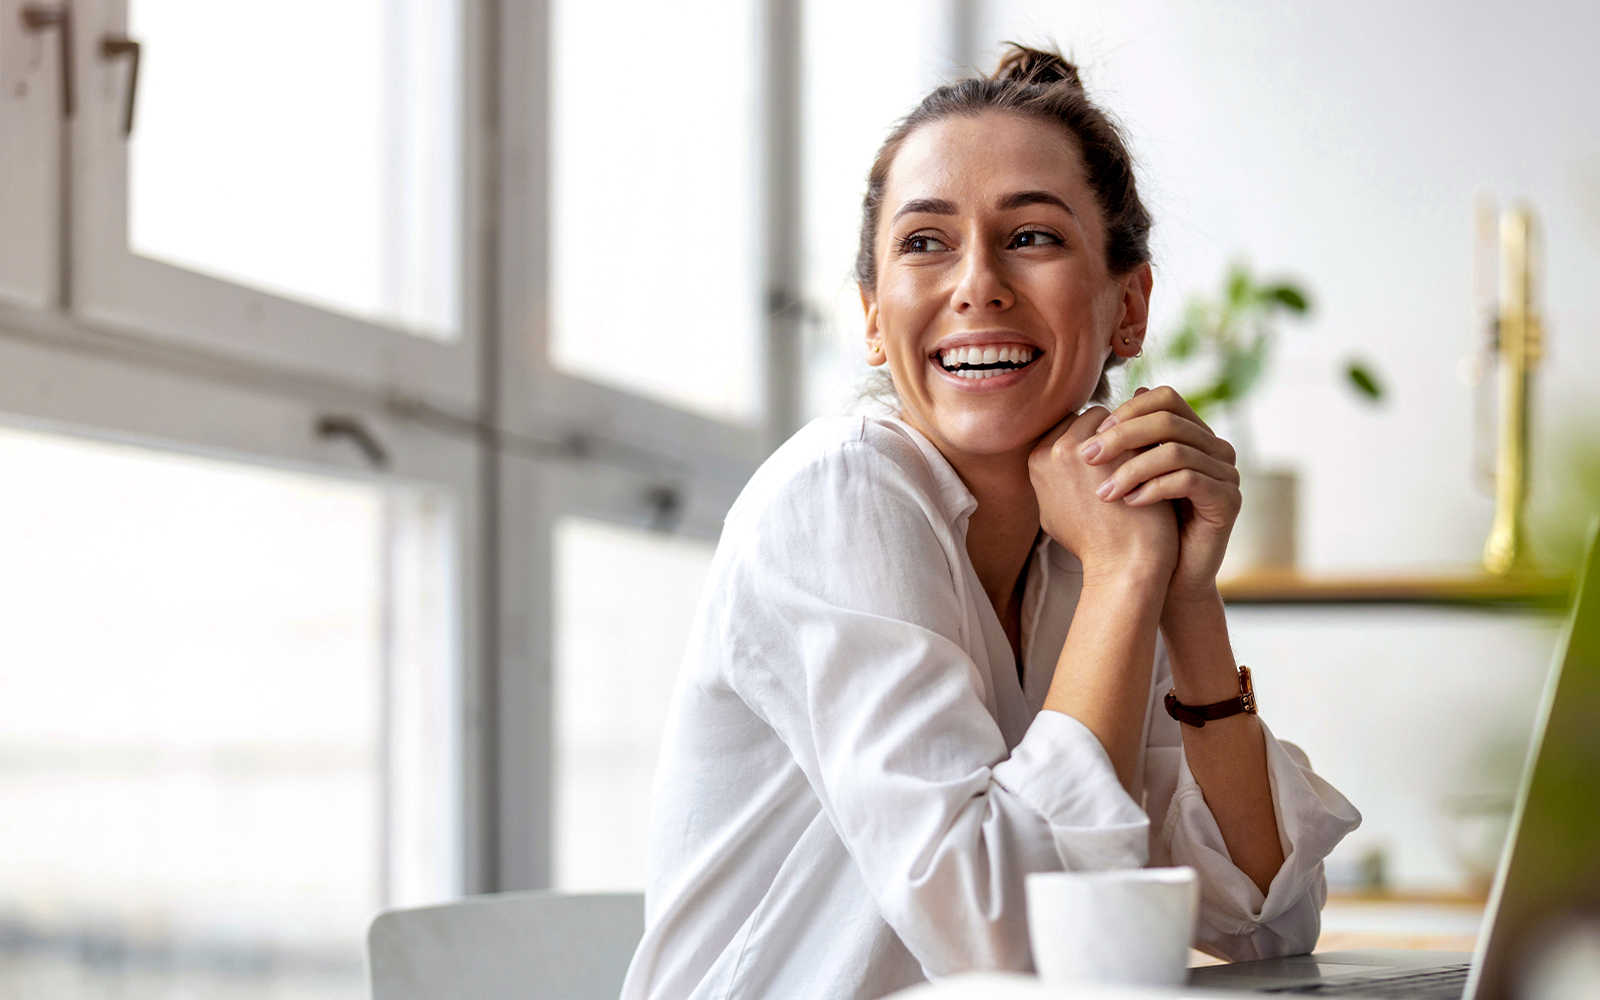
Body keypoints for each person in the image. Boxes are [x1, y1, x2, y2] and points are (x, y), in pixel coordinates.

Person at [620, 45, 1360, 1000]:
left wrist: (1183, 594)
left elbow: (1265, 920)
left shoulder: (1092, 539)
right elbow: (995, 934)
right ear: (875, 318)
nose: (978, 285)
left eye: (1033, 238)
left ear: (1127, 308)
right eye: (925, 243)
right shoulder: (841, 495)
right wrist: (1126, 582)